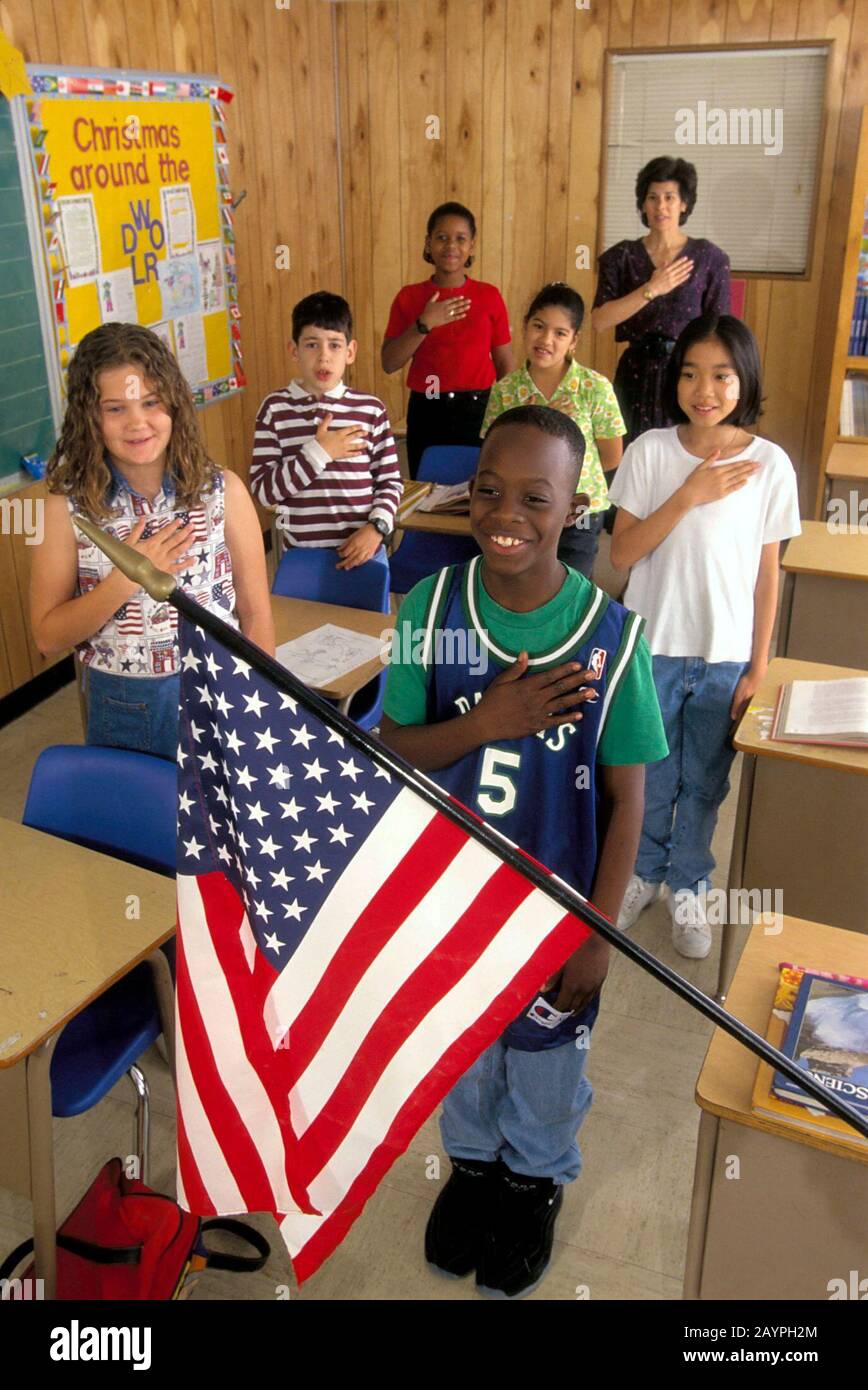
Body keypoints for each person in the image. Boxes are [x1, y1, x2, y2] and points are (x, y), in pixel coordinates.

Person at [378, 404, 667, 1298]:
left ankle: (531, 1180)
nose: (507, 514)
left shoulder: (613, 639)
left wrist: (599, 933)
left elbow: (625, 802)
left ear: (574, 506)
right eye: (490, 492)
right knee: (462, 1052)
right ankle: (471, 1166)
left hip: (555, 915)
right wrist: (490, 720)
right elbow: (389, 748)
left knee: (543, 1069)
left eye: (534, 498)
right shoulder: (431, 609)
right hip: (450, 905)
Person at [608, 314, 801, 959]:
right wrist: (687, 495)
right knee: (650, 776)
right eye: (690, 373)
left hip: (724, 658)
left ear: (744, 379)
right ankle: (644, 873)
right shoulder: (650, 452)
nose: (705, 389)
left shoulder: (770, 464)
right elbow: (623, 553)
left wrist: (759, 664)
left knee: (706, 783)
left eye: (721, 375)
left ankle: (691, 885)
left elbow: (766, 573)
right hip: (651, 649)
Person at [30, 323, 274, 761]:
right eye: (116, 408)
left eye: (150, 402)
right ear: (91, 417)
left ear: (174, 405)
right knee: (139, 826)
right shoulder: (67, 508)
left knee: (221, 828)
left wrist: (257, 705)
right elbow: (47, 637)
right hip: (126, 706)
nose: (137, 422)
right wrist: (125, 580)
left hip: (223, 692)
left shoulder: (223, 491)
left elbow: (256, 616)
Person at [481, 282, 625, 578]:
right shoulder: (506, 390)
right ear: (524, 327)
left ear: (574, 340)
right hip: (522, 509)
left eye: (560, 333)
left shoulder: (594, 388)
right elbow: (493, 455)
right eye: (538, 326)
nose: (546, 339)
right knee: (523, 583)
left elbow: (611, 457)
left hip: (579, 511)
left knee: (572, 589)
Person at [251, 291, 402, 564]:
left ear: (350, 351)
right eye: (311, 345)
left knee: (363, 609)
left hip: (364, 552)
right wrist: (318, 453)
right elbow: (264, 491)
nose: (323, 357)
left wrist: (377, 528)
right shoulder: (274, 409)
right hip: (301, 558)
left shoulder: (370, 409)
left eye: (334, 345)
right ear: (293, 350)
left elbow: (390, 482)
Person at [591, 156, 731, 443]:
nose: (661, 206)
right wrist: (652, 289)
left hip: (686, 372)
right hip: (635, 372)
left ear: (684, 203)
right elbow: (598, 321)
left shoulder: (709, 258)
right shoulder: (621, 257)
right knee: (630, 454)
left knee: (681, 452)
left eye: (670, 197)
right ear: (643, 204)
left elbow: (721, 329)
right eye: (652, 197)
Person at [381, 202, 514, 478]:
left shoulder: (489, 296)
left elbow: (505, 363)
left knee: (480, 490)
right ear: (428, 243)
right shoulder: (409, 297)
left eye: (460, 238)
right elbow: (389, 362)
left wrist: (511, 415)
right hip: (428, 406)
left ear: (472, 246)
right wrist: (424, 323)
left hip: (481, 410)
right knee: (428, 493)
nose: (450, 245)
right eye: (441, 237)